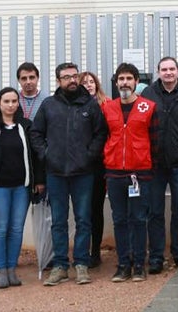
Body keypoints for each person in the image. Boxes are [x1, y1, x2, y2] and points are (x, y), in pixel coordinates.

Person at [31, 62, 107, 286]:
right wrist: (47, 155)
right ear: (58, 81)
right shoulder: (49, 105)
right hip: (56, 173)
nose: (72, 80)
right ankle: (61, 266)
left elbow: (100, 133)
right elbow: (35, 133)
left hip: (83, 173)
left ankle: (81, 264)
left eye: (75, 76)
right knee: (58, 221)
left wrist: (89, 155)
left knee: (84, 220)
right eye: (66, 77)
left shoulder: (90, 105)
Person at [0, 87, 42, 289]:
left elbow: (35, 157)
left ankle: (12, 268)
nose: (11, 105)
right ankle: (1, 269)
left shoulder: (26, 127)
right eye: (6, 101)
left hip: (22, 187)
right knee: (1, 229)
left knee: (16, 229)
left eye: (14, 101)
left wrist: (39, 181)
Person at [101, 63, 158, 282]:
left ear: (136, 82)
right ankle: (123, 264)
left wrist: (150, 166)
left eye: (128, 78)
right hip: (114, 172)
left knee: (138, 219)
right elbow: (102, 137)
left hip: (140, 173)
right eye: (121, 79)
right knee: (120, 219)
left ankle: (138, 266)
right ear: (116, 83)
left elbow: (156, 141)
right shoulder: (108, 108)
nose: (124, 83)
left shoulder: (149, 107)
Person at [141, 56, 178, 272]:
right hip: (154, 164)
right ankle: (156, 257)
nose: (168, 73)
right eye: (164, 69)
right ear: (158, 72)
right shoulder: (148, 93)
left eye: (171, 69)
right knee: (155, 211)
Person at [80, 71, 110, 268]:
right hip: (81, 164)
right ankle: (82, 250)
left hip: (100, 163)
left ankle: (95, 251)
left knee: (96, 209)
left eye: (92, 82)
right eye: (85, 82)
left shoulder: (107, 104)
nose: (89, 85)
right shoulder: (76, 105)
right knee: (83, 210)